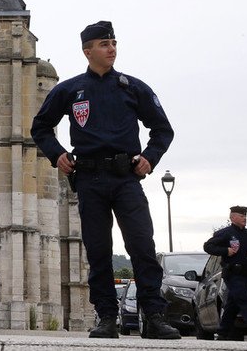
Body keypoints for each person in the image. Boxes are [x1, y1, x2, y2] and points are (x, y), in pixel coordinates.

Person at [31, 20, 180, 340]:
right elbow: (40, 127)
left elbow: (162, 129)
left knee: (142, 245)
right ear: (88, 51)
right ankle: (106, 317)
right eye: (104, 44)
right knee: (97, 250)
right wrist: (56, 153)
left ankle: (153, 316)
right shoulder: (69, 89)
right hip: (89, 178)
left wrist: (150, 158)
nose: (111, 48)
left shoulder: (132, 87)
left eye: (113, 43)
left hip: (127, 178)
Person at [203, 205, 247, 341]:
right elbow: (208, 246)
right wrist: (225, 251)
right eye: (242, 216)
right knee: (244, 300)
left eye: (245, 216)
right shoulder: (225, 233)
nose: (245, 218)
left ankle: (222, 332)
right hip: (233, 274)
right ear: (233, 217)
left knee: (232, 304)